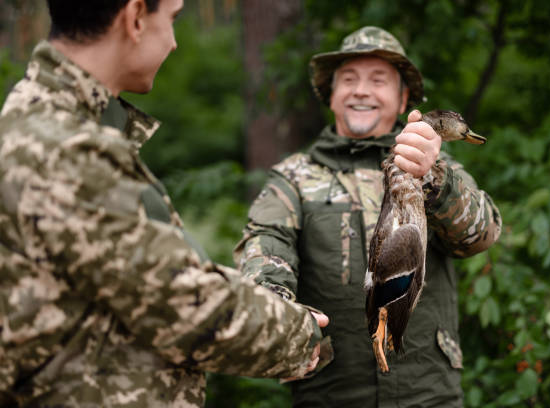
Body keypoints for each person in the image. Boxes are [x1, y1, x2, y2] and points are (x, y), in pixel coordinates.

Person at [0, 0, 329, 406]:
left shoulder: (45, 124)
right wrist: (300, 332)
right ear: (136, 16)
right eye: (171, 19)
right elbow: (183, 307)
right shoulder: (66, 149)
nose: (173, 43)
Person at [235, 26, 502, 407]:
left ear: (403, 98)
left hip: (430, 396)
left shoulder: (437, 166)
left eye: (378, 80)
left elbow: (484, 234)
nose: (361, 90)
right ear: (331, 96)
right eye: (349, 79)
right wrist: (278, 310)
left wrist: (435, 177)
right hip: (331, 397)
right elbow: (264, 252)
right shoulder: (293, 178)